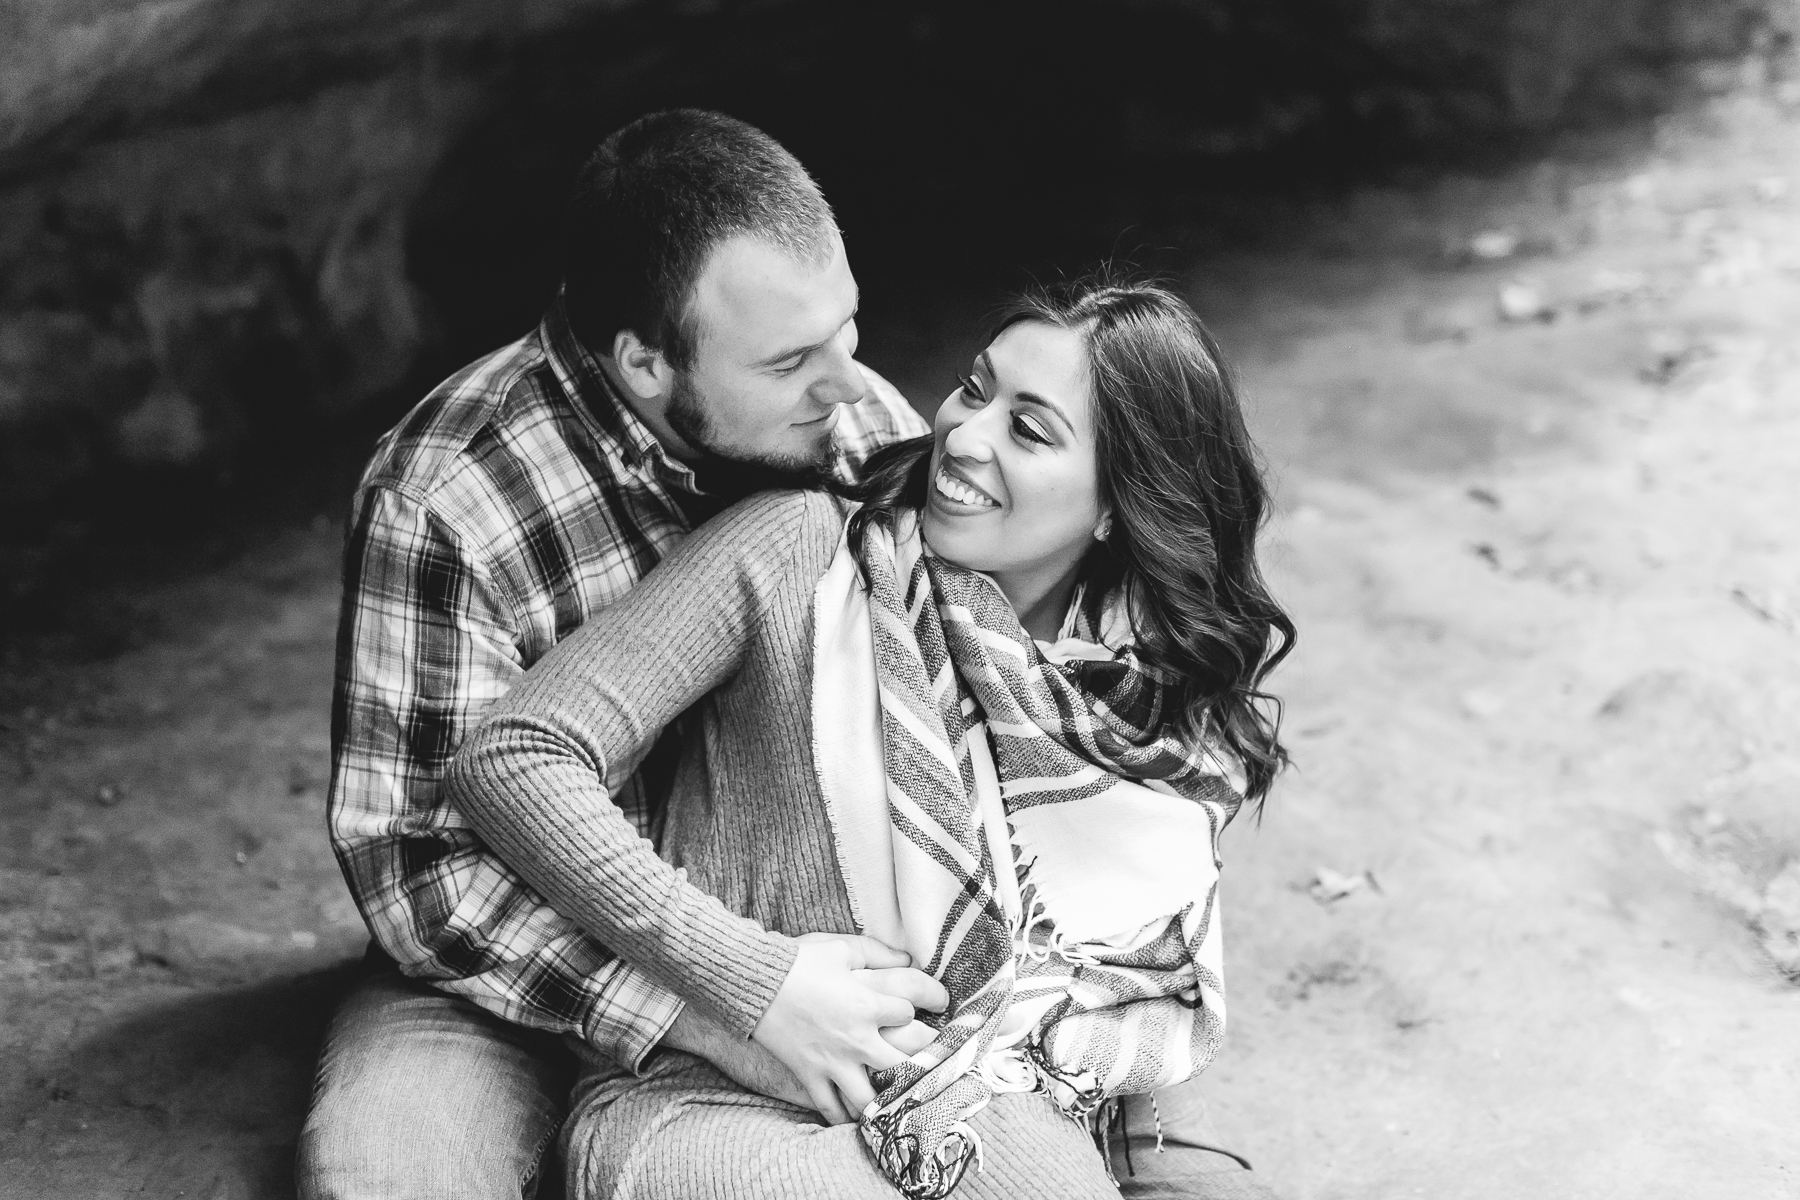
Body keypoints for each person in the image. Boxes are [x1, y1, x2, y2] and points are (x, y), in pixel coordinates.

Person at [446, 275, 1297, 1199]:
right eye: (976, 389)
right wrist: (751, 976)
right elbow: (515, 755)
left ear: (1114, 508)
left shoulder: (1128, 705)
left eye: (1030, 428)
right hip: (716, 1111)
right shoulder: (799, 552)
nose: (964, 436)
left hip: (979, 1098)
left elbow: (1128, 991)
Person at [296, 109, 938, 1199]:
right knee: (379, 1179)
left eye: (849, 327)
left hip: (799, 943)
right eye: (788, 361)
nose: (847, 387)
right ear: (643, 362)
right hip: (504, 971)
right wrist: (721, 1008)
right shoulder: (445, 495)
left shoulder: (858, 425)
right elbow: (420, 875)